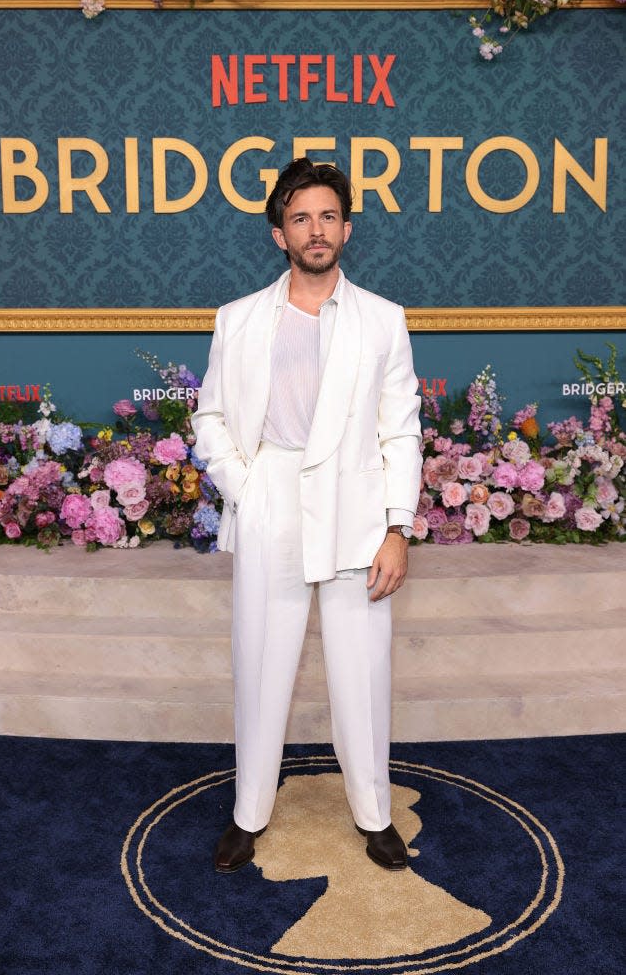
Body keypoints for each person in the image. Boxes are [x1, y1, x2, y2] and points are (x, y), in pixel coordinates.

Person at [191, 157, 422, 874]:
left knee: (362, 672)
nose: (315, 230)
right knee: (260, 666)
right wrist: (247, 483)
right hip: (272, 501)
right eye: (300, 218)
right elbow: (210, 417)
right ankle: (248, 813)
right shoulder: (238, 320)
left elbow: (401, 430)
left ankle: (374, 815)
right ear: (277, 234)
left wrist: (396, 527)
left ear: (346, 228)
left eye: (327, 216)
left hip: (355, 512)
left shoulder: (383, 320)